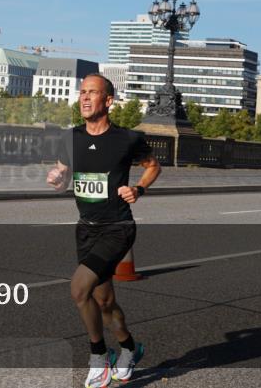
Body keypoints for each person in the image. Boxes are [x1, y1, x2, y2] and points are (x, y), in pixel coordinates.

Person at [46, 73, 161, 387]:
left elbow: (153, 165)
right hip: (86, 229)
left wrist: (138, 189)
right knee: (105, 302)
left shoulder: (127, 139)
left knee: (78, 289)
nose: (84, 98)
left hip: (118, 228)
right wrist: (58, 178)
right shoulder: (71, 138)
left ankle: (99, 356)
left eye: (92, 93)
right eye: (82, 92)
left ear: (108, 101)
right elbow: (64, 174)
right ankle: (130, 348)